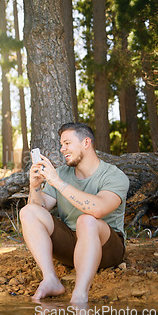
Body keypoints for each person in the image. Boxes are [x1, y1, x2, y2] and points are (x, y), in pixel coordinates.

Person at [20, 122, 129, 303]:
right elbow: (38, 209)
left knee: (87, 221)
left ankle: (79, 295)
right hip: (71, 247)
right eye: (62, 144)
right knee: (28, 211)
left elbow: (98, 209)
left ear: (86, 143)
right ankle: (50, 279)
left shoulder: (113, 175)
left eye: (67, 143)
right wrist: (35, 187)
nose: (63, 149)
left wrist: (58, 183)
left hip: (107, 248)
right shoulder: (62, 173)